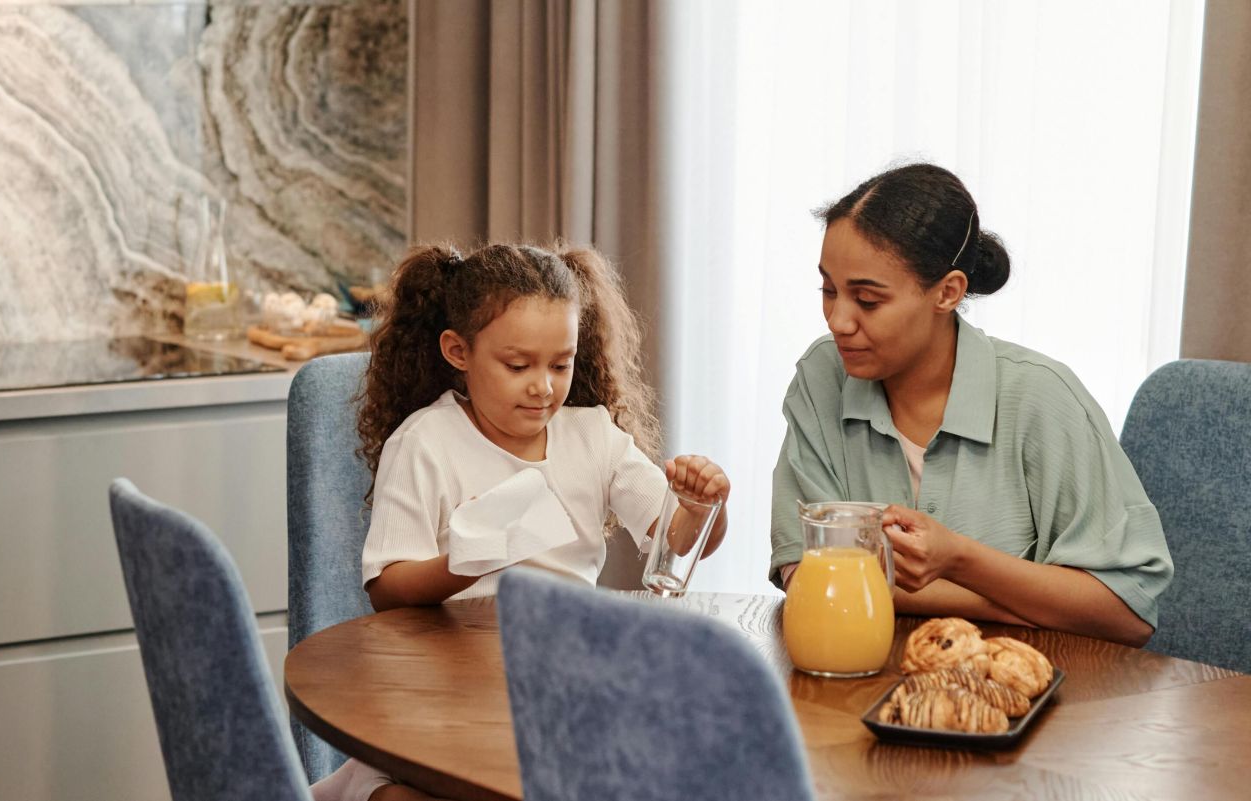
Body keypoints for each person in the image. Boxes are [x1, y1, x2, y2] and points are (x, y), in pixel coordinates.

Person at [313, 243, 732, 801]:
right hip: (448, 691)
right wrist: (466, 561)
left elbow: (677, 542)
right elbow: (386, 588)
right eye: (518, 366)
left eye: (561, 363)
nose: (543, 386)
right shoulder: (426, 444)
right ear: (458, 351)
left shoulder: (594, 438)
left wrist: (704, 507)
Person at [770, 163, 1171, 647]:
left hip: (1025, 702)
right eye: (828, 291)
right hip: (852, 679)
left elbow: (1127, 611)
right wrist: (1020, 603)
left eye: (868, 301)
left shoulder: (1042, 397)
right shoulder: (821, 378)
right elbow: (805, 576)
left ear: (948, 292)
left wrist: (958, 559)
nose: (838, 320)